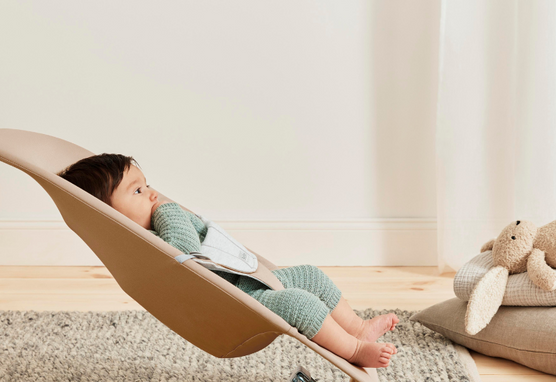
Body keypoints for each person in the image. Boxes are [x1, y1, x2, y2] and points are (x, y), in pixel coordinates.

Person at [58, 153, 398, 368]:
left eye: (147, 185)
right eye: (137, 191)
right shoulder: (156, 232)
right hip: (238, 302)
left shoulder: (151, 227)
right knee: (298, 302)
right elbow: (184, 251)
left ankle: (357, 327)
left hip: (248, 281)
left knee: (309, 275)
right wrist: (168, 211)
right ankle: (353, 349)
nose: (153, 194)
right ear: (109, 215)